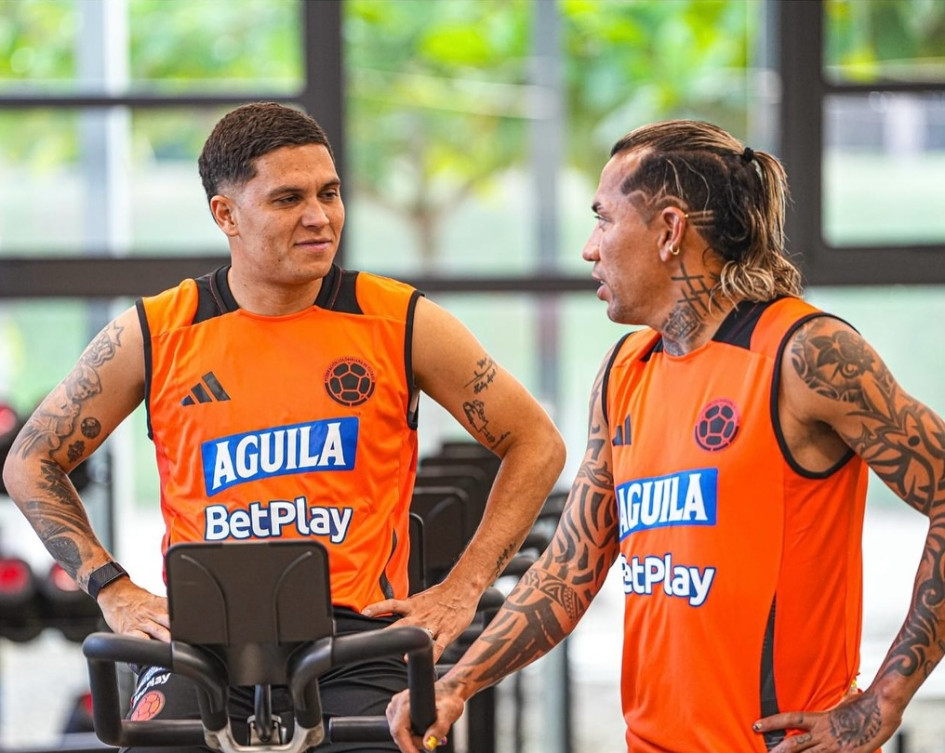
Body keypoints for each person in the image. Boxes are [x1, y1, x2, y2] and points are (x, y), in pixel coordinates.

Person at [1, 102, 566, 752]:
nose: (319, 216)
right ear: (225, 215)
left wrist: (463, 588)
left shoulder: (399, 319)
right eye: (288, 198)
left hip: (358, 639)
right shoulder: (158, 331)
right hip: (204, 640)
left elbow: (536, 443)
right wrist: (112, 587)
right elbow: (30, 460)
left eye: (329, 193)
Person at [385, 119, 945, 753]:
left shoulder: (805, 354)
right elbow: (570, 567)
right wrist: (458, 683)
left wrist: (883, 703)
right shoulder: (627, 369)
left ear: (670, 231)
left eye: (604, 220)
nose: (589, 248)